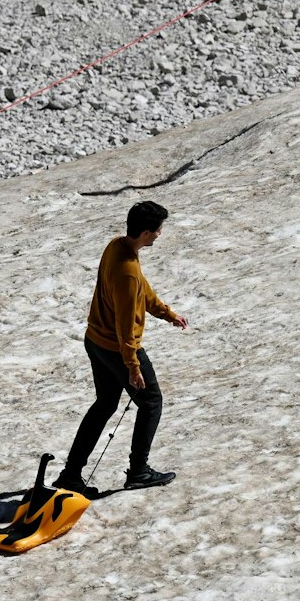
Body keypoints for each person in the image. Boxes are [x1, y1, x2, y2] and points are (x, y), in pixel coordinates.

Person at [54, 199, 188, 497]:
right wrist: (133, 367)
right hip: (117, 347)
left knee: (104, 404)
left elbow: (142, 289)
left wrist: (167, 313)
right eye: (157, 230)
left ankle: (70, 475)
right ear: (145, 232)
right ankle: (138, 471)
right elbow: (126, 326)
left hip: (96, 341)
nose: (159, 235)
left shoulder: (118, 246)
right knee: (150, 401)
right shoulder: (126, 268)